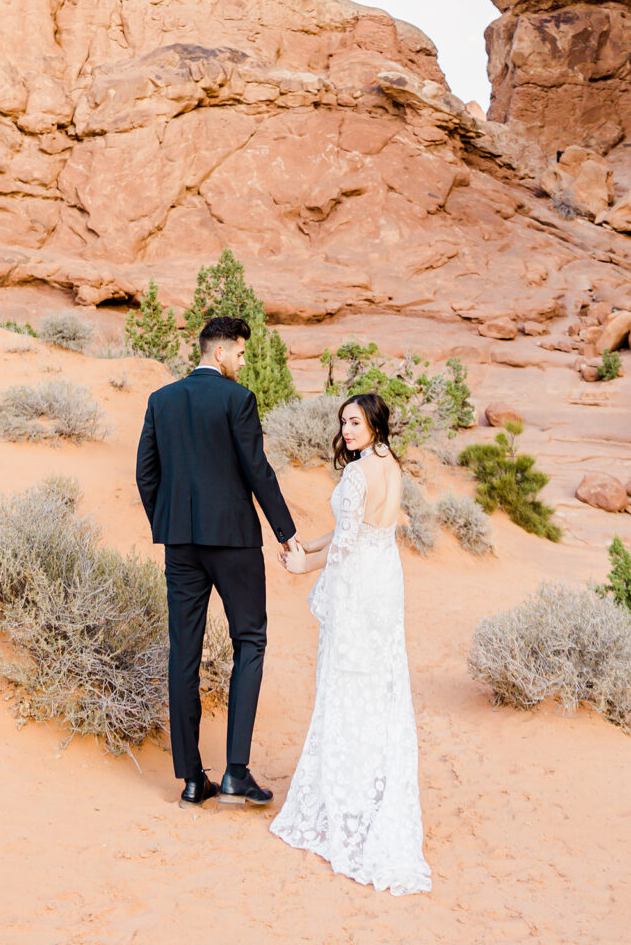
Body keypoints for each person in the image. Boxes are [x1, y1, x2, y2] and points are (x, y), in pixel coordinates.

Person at [271, 393, 431, 895]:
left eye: (355, 421)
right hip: (382, 580)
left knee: (345, 685)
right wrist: (307, 543)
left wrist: (303, 566)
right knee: (376, 685)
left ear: (374, 424)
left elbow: (346, 544)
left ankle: (347, 798)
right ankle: (367, 790)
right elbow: (351, 532)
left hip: (359, 584)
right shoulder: (388, 463)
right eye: (343, 421)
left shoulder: (360, 472)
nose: (347, 429)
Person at [136, 316, 298, 808]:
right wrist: (285, 532)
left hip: (180, 546)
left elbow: (147, 475)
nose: (244, 363)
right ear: (222, 352)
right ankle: (236, 774)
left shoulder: (161, 400)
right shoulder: (237, 399)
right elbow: (257, 470)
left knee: (182, 653)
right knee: (250, 639)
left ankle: (190, 780)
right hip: (232, 541)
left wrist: (168, 524)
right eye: (243, 354)